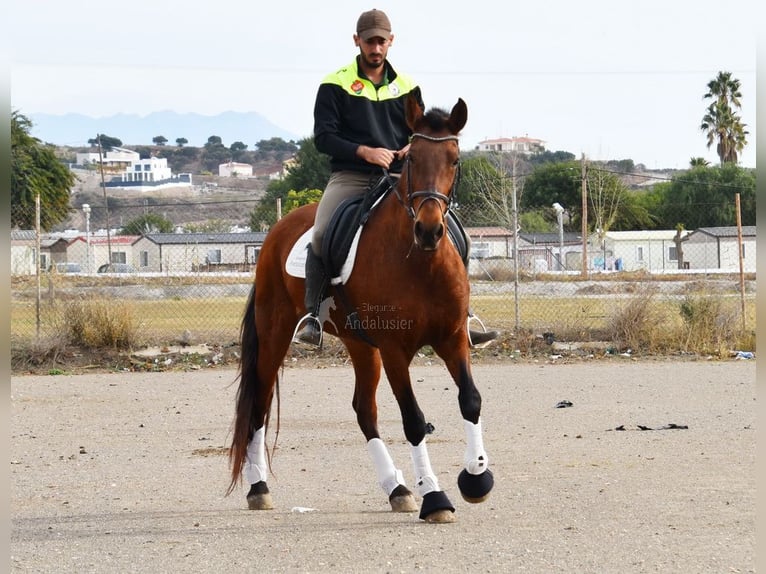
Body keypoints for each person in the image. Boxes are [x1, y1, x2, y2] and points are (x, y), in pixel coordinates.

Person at [293, 8, 497, 349]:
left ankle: (462, 316)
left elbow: (421, 132)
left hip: (399, 177)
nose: (376, 48)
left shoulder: (407, 86)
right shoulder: (335, 84)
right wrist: (365, 151)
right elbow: (324, 137)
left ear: (391, 42)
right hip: (352, 176)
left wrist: (407, 148)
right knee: (323, 232)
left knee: (458, 235)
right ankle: (313, 316)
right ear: (357, 41)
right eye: (370, 42)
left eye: (382, 42)